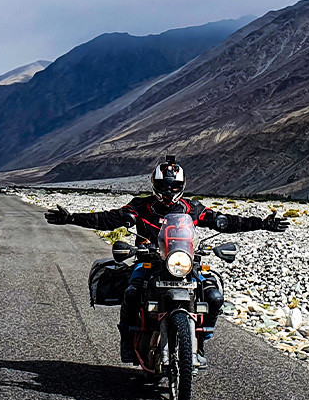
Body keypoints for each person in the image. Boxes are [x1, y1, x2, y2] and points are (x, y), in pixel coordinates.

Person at [45, 156, 289, 366]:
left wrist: (262, 224)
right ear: (155, 185)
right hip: (148, 261)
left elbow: (224, 221)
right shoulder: (140, 206)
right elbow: (108, 219)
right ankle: (128, 340)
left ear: (182, 186)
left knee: (214, 295)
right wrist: (71, 218)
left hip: (182, 262)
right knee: (131, 292)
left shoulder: (192, 209)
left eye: (174, 187)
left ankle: (201, 342)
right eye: (164, 186)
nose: (169, 192)